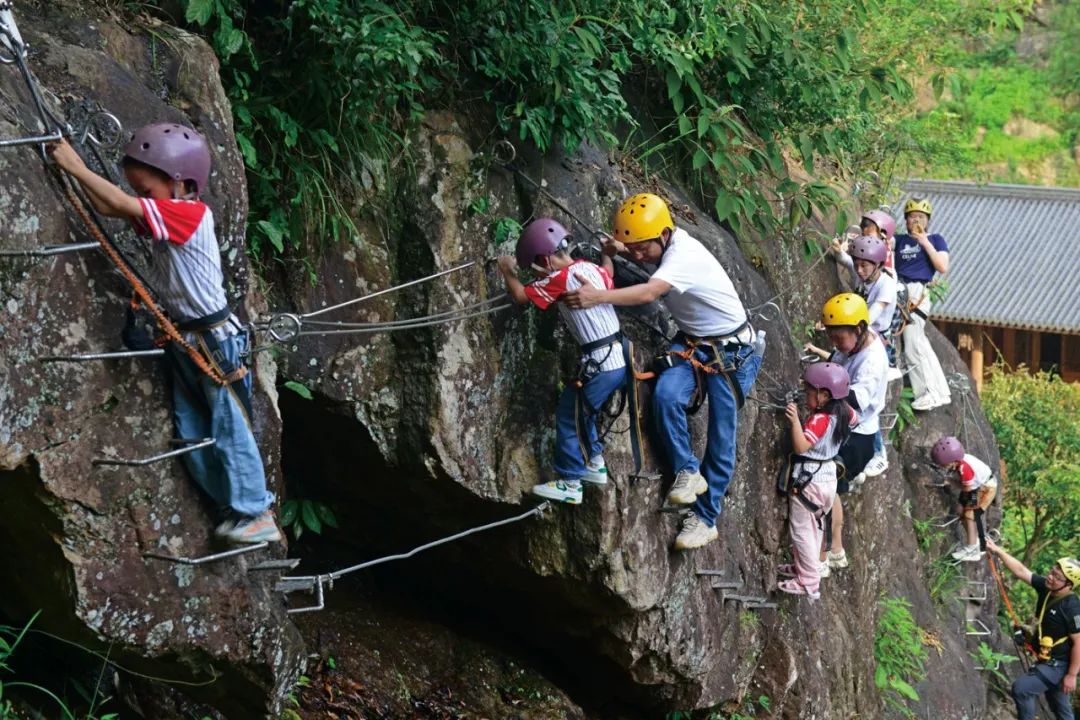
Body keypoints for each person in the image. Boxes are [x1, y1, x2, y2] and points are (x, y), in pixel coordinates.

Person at [47, 125, 280, 544]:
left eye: (148, 191)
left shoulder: (189, 213)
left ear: (181, 185)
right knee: (191, 431)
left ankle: (255, 510)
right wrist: (73, 171)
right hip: (187, 339)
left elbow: (119, 201)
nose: (143, 198)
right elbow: (111, 209)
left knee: (229, 425)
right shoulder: (168, 209)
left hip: (215, 341)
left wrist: (76, 165)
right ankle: (231, 504)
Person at [562, 193, 763, 550]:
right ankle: (687, 470)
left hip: (733, 353)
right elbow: (642, 257)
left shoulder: (682, 256)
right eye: (633, 248)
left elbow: (650, 292)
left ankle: (705, 518)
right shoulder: (661, 246)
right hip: (693, 343)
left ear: (665, 235)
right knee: (666, 395)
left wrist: (597, 297)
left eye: (642, 248)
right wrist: (616, 251)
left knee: (721, 435)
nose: (638, 255)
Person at [497, 218, 625, 505]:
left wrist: (507, 270)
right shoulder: (589, 268)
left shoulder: (558, 279)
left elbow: (520, 296)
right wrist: (608, 254)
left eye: (535, 266)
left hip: (600, 363)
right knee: (585, 411)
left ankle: (570, 482)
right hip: (617, 359)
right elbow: (608, 271)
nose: (535, 272)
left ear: (544, 259)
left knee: (569, 415)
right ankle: (594, 463)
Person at [805, 294, 887, 572]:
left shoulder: (872, 361)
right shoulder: (853, 345)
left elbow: (854, 399)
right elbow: (838, 361)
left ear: (860, 329)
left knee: (828, 487)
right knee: (832, 488)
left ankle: (827, 552)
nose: (836, 345)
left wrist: (821, 390)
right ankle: (833, 549)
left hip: (858, 436)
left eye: (839, 339)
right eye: (833, 338)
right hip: (846, 426)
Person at [777, 362, 856, 599]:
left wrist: (794, 422)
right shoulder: (844, 412)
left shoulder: (820, 420)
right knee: (816, 526)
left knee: (802, 529)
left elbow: (801, 447)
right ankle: (805, 568)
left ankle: (808, 581)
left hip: (809, 480)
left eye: (810, 392)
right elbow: (856, 418)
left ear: (824, 395)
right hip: (827, 478)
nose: (805, 395)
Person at [985, 539, 1080, 720]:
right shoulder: (1047, 589)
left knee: (1021, 689)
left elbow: (1079, 643)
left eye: (1057, 577)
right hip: (1046, 658)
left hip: (1059, 664)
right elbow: (1021, 571)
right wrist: (996, 550)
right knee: (1060, 709)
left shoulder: (1072, 607)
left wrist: (1072, 675)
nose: (1051, 577)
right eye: (1052, 571)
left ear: (1068, 585)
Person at [829, 234, 897, 480]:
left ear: (878, 265)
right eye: (858, 264)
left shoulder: (886, 284)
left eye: (864, 265)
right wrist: (839, 254)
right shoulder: (864, 272)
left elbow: (868, 317)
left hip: (874, 333)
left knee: (872, 405)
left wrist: (846, 321)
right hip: (858, 331)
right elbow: (850, 264)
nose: (859, 269)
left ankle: (879, 454)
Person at [894, 198, 951, 411]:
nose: (916, 220)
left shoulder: (936, 240)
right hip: (900, 290)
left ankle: (927, 393)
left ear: (927, 221)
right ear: (906, 220)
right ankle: (940, 391)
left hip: (917, 292)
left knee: (912, 344)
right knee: (920, 343)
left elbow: (942, 266)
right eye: (912, 216)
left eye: (921, 217)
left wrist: (924, 241)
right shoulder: (898, 241)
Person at [930, 436, 997, 562]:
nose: (943, 467)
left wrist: (951, 482)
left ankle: (972, 550)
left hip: (985, 488)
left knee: (970, 515)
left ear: (952, 461)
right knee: (961, 512)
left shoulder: (964, 468)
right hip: (975, 487)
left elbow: (967, 489)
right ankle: (975, 542)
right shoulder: (959, 461)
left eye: (944, 465)